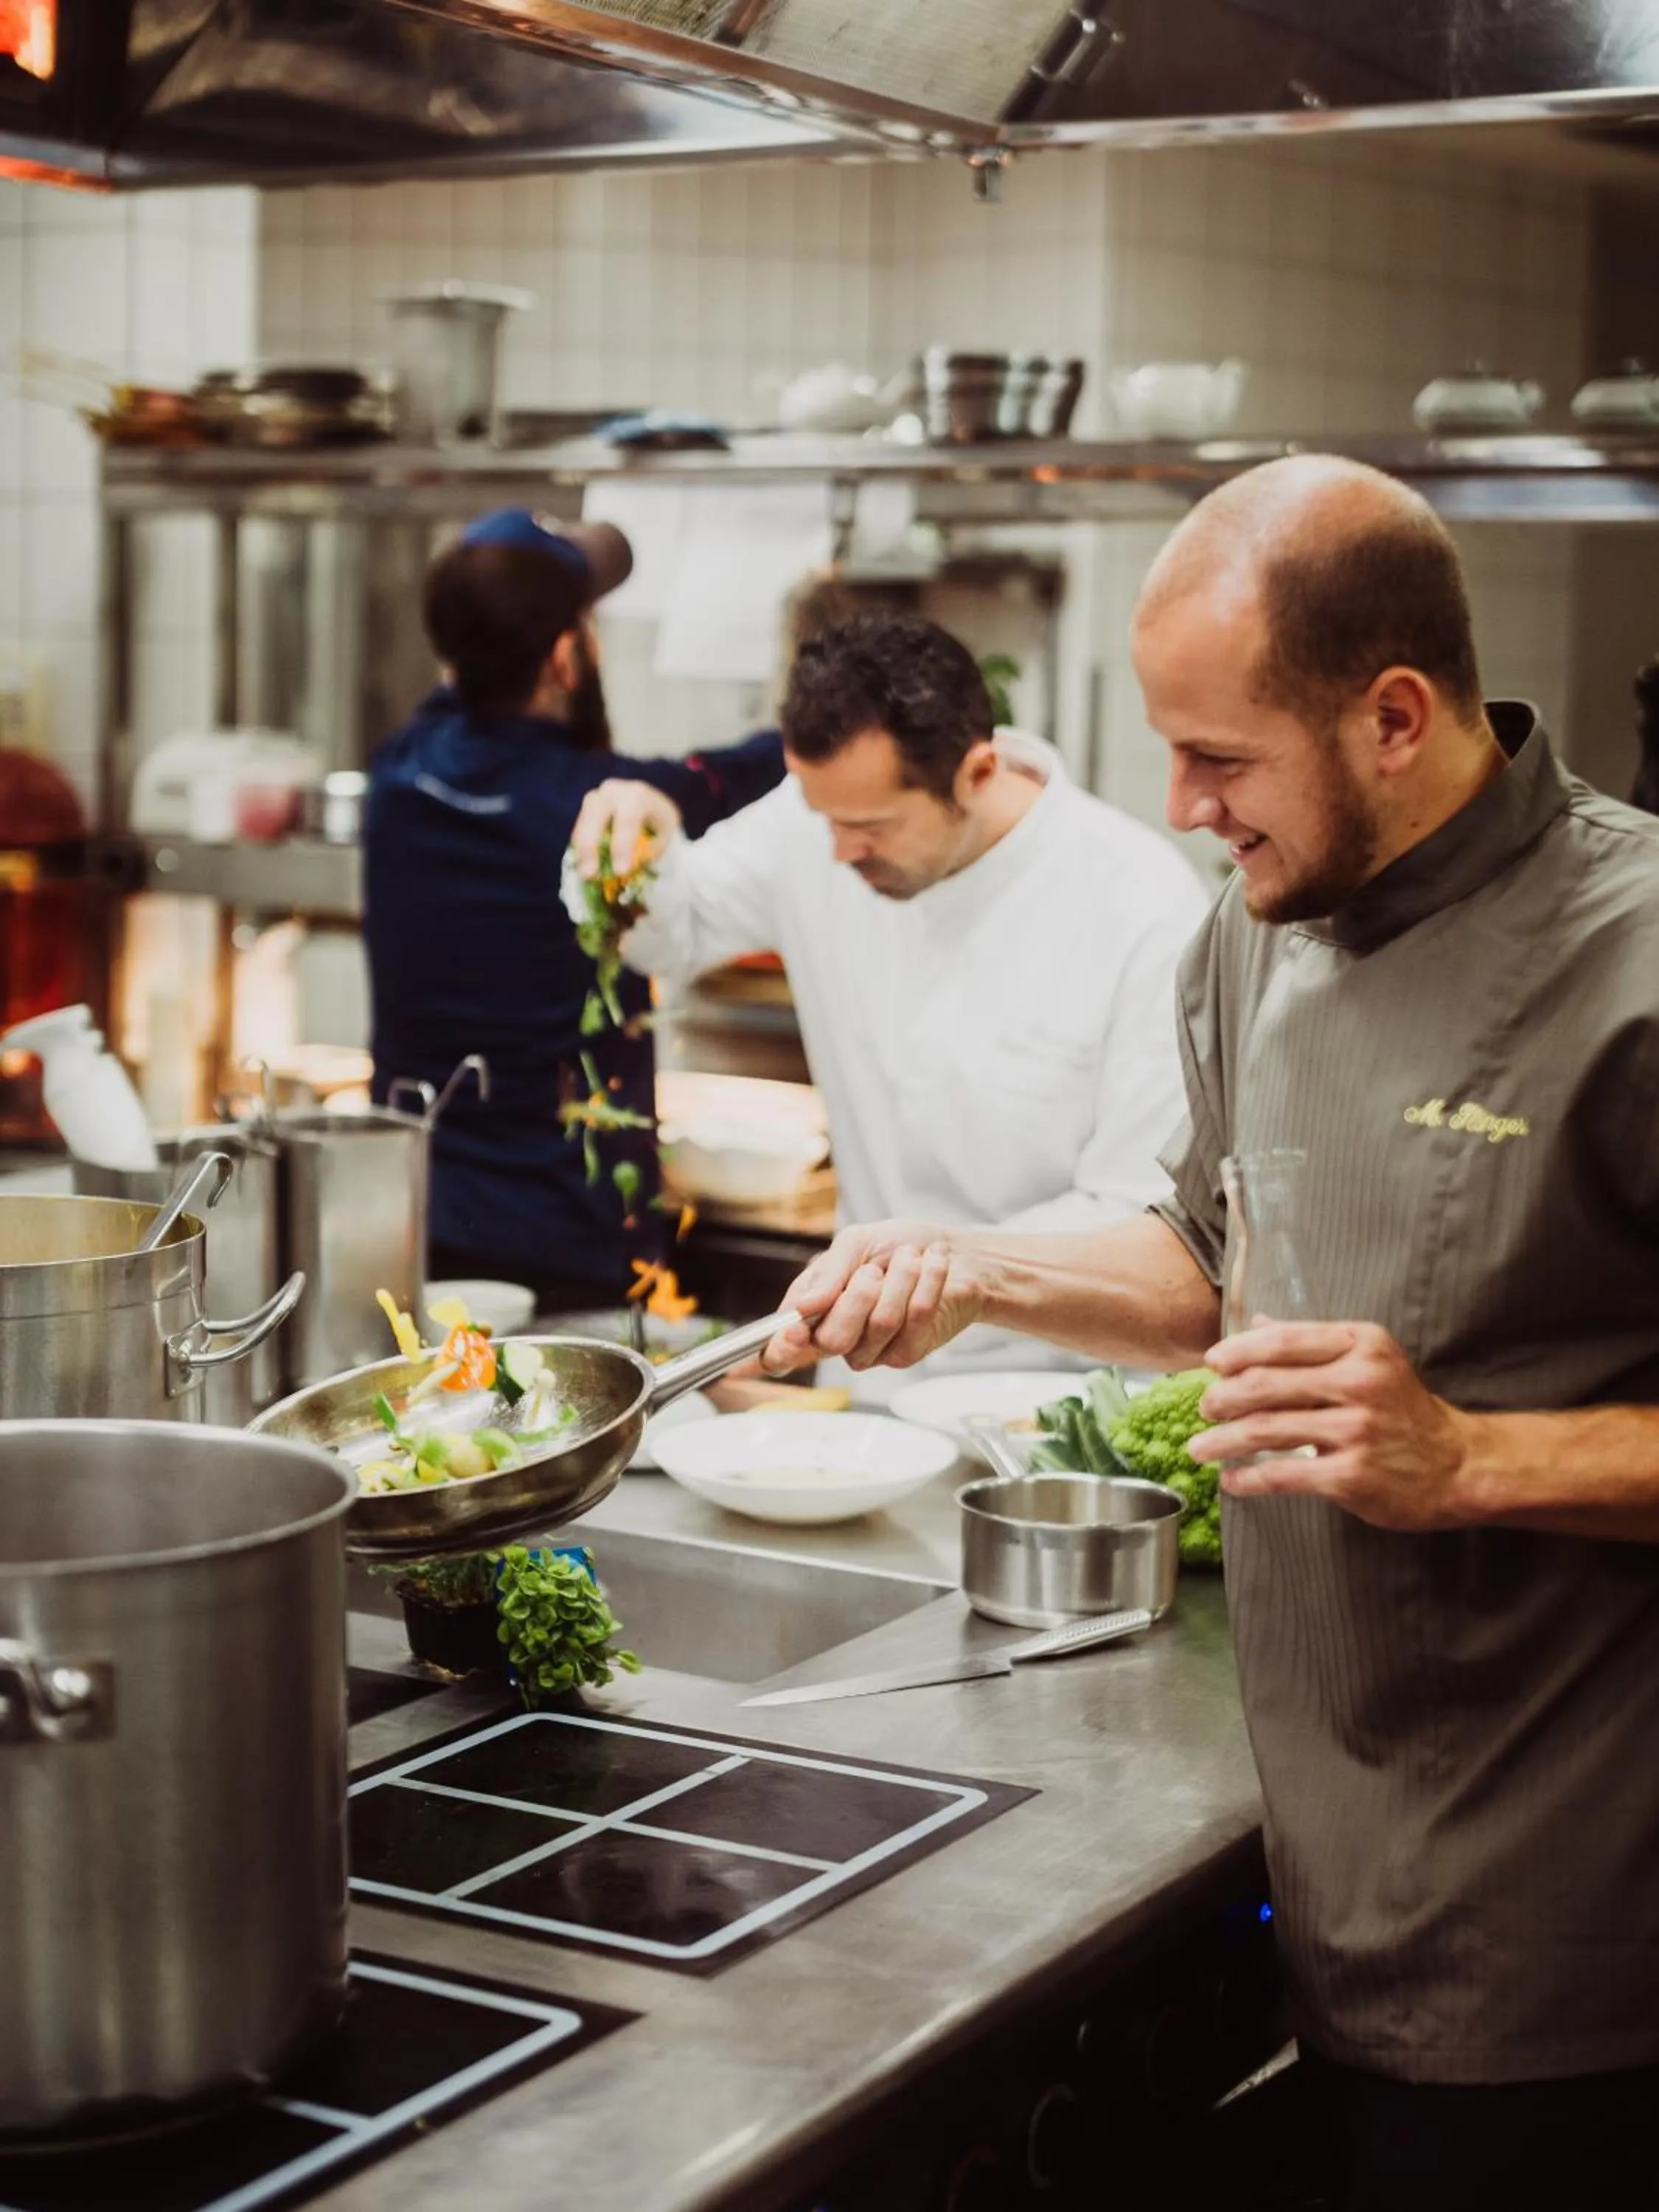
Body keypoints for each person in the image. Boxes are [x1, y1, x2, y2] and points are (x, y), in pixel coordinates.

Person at [757, 458, 1659, 2208]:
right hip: (1325, 1902)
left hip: (1566, 1966)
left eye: (1221, 758)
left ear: (1394, 714)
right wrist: (975, 1269)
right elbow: (1206, 1253)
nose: (1177, 802)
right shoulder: (1255, 933)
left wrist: (1472, 1457)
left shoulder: (1630, 958)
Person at [571, 609, 1208, 1373]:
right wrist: (639, 836)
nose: (838, 853)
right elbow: (667, 931)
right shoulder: (817, 828)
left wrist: (951, 1270)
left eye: (870, 826)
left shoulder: (1143, 908)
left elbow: (1135, 1216)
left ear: (978, 774)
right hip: (876, 1384)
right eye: (823, 819)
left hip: (1050, 1394)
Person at [362, 508, 784, 1310]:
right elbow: (745, 771)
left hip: (418, 1227)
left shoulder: (398, 775)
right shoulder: (603, 813)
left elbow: (473, 681)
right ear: (564, 657)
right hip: (568, 1245)